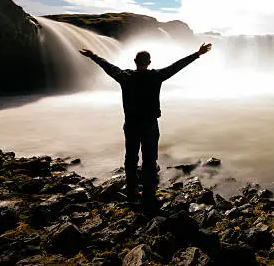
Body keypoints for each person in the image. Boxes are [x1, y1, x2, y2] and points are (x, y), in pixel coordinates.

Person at [79, 43, 212, 211]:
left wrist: (93, 56)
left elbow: (108, 66)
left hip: (131, 125)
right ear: (149, 62)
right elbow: (176, 66)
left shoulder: (125, 76)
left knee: (131, 160)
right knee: (149, 161)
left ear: (135, 61)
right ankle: (149, 197)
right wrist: (197, 53)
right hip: (149, 125)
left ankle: (132, 195)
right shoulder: (156, 76)